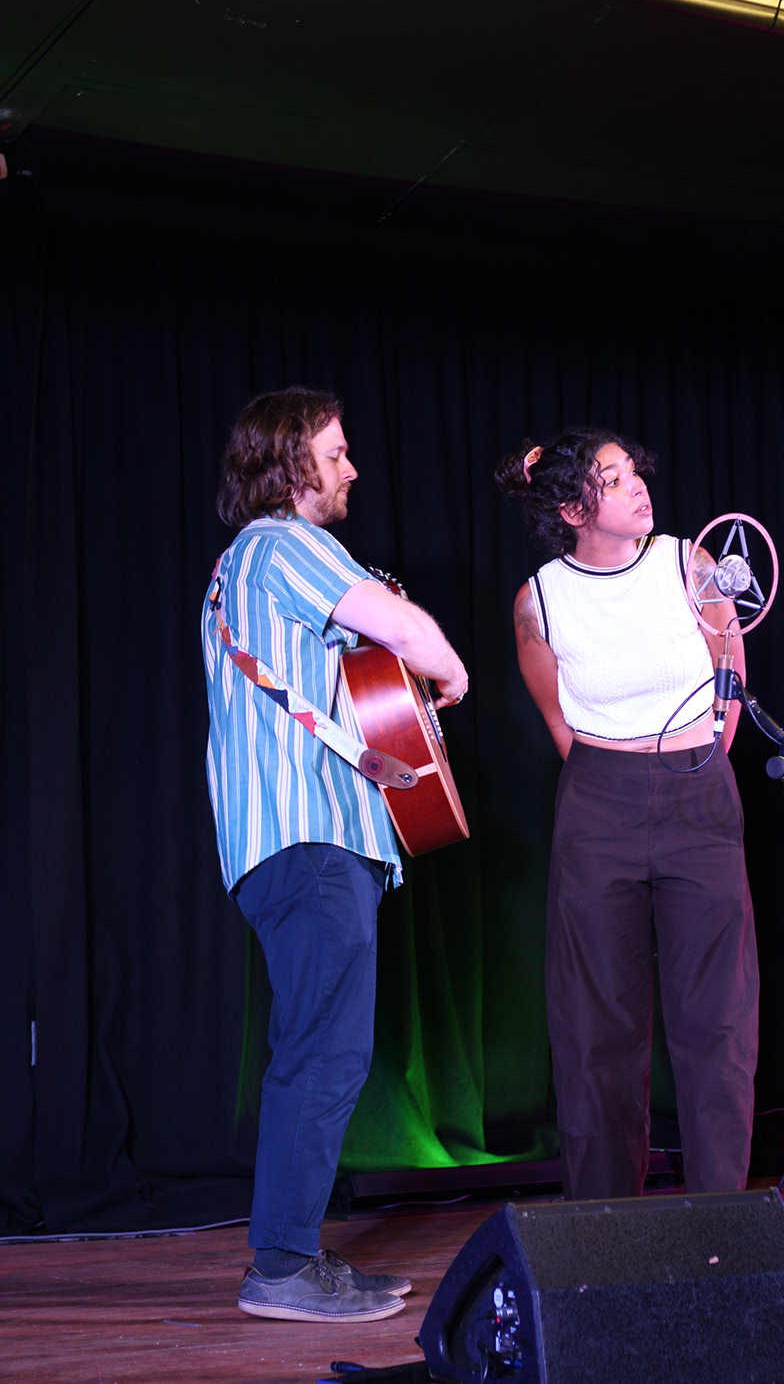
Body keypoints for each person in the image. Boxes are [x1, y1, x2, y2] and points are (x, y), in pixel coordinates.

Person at [203, 388, 468, 1322]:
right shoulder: (282, 544)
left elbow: (359, 666)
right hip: (308, 837)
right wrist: (450, 668)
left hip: (294, 842)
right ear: (289, 466)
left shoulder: (248, 567)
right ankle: (281, 1269)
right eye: (336, 453)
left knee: (324, 1047)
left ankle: (294, 1254)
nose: (352, 468)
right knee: (324, 1050)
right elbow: (402, 630)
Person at [495, 428, 758, 1201]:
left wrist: (695, 763)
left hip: (698, 794)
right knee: (594, 1025)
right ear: (574, 509)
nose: (638, 484)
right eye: (614, 479)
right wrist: (619, 773)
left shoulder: (688, 563)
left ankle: (720, 1219)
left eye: (634, 470)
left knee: (716, 1019)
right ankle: (606, 1225)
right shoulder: (540, 600)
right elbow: (558, 720)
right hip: (599, 802)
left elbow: (730, 677)